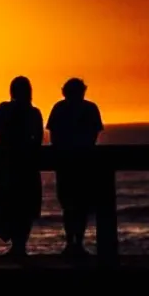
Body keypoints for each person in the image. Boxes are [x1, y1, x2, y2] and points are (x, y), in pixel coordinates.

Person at [0, 76, 43, 257]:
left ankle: (17, 247)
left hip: (8, 164)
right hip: (26, 164)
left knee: (8, 204)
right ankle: (20, 247)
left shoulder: (5, 108)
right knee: (24, 206)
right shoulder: (33, 112)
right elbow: (38, 138)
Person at [46, 78, 104, 257]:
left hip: (67, 163)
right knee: (80, 205)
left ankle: (72, 243)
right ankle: (76, 242)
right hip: (82, 163)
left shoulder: (60, 108)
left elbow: (54, 136)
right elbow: (93, 135)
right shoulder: (89, 108)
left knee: (71, 205)